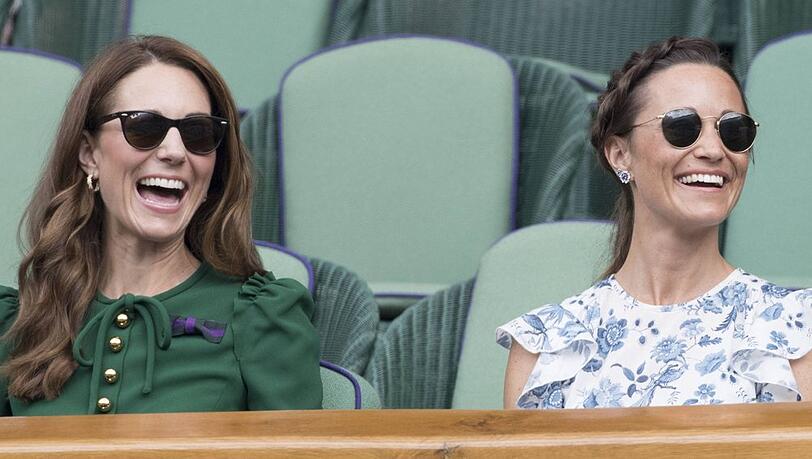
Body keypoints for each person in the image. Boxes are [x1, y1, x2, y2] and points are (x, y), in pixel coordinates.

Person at [0, 36, 322, 415]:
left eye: (198, 133)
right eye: (144, 127)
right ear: (89, 155)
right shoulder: (21, 322)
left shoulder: (263, 318)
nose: (173, 152)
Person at [499, 37, 812, 409]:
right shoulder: (547, 345)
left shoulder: (797, 332)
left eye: (734, 131)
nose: (714, 151)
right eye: (682, 127)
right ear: (620, 154)